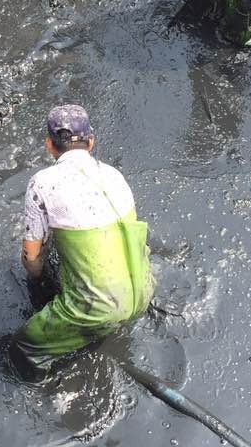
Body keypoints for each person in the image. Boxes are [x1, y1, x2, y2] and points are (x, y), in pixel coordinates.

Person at [8, 105, 154, 383]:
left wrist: (39, 287)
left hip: (100, 306)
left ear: (50, 145)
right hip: (142, 292)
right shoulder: (114, 175)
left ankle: (43, 390)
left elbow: (31, 256)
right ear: (91, 142)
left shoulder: (42, 183)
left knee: (20, 349)